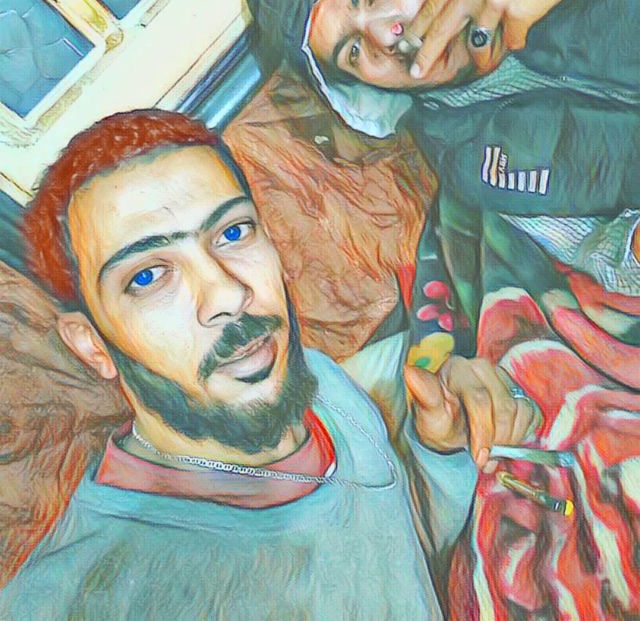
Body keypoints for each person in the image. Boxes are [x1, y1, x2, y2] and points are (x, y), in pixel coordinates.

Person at [0, 109, 538, 620]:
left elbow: (394, 558)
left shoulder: (322, 387)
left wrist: (440, 452)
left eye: (232, 233)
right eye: (147, 276)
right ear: (93, 346)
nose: (227, 294)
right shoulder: (86, 596)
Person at [242, 0, 640, 363]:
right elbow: (608, 258)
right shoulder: (473, 160)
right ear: (365, 89)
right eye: (353, 52)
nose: (386, 34)